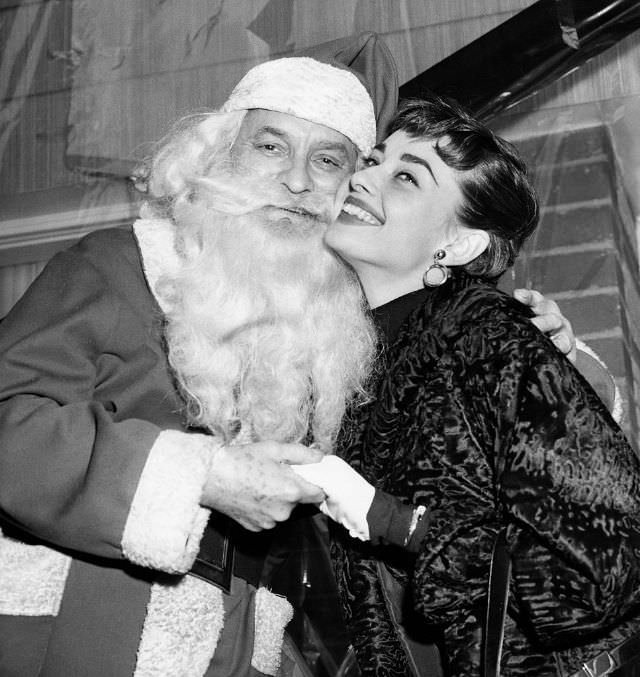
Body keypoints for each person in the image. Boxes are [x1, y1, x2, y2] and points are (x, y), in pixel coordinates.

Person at [0, 33, 598, 676]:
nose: (296, 179)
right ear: (219, 154)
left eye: (329, 160)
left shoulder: (342, 330)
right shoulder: (118, 265)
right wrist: (201, 477)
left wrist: (563, 365)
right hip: (76, 633)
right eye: (270, 145)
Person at [292, 95, 640, 677]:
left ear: (457, 246)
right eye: (375, 160)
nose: (364, 178)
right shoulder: (353, 361)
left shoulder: (483, 334)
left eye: (405, 176)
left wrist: (395, 522)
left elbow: (610, 558)